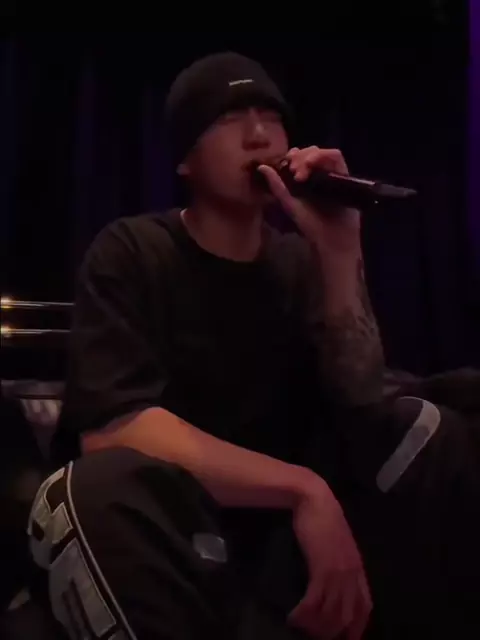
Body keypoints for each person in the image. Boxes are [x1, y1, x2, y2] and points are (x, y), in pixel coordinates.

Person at [27, 52, 480, 640]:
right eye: (229, 119)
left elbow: (363, 401)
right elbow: (115, 430)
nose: (259, 135)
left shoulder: (297, 263)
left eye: (271, 117)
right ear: (185, 160)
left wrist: (339, 252)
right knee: (94, 488)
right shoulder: (133, 251)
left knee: (441, 418)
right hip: (172, 526)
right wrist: (300, 489)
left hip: (279, 547)